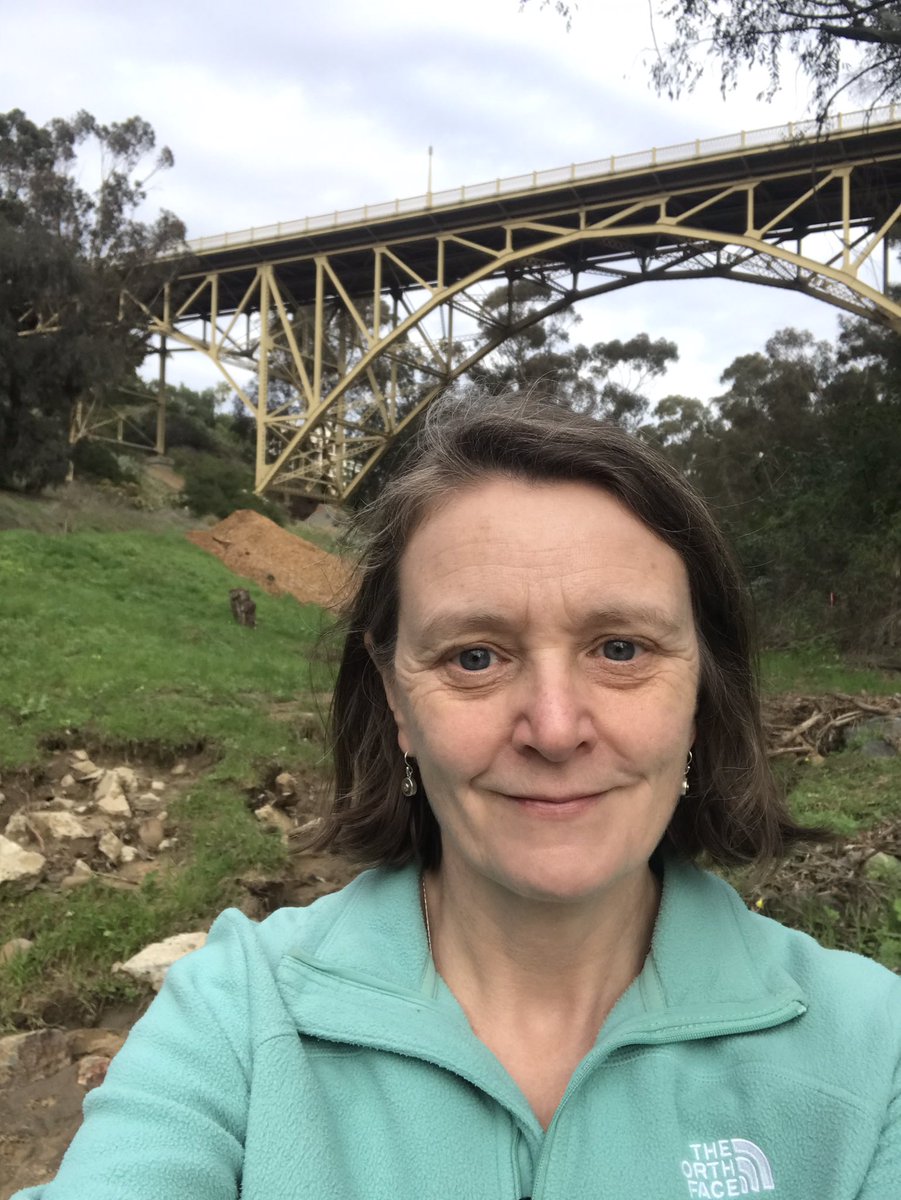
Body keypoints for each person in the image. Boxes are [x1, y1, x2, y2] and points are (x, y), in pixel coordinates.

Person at [14, 394, 900, 1200]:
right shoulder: (235, 1018)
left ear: (702, 688)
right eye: (474, 656)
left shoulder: (876, 1051)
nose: (554, 729)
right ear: (396, 699)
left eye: (620, 648)